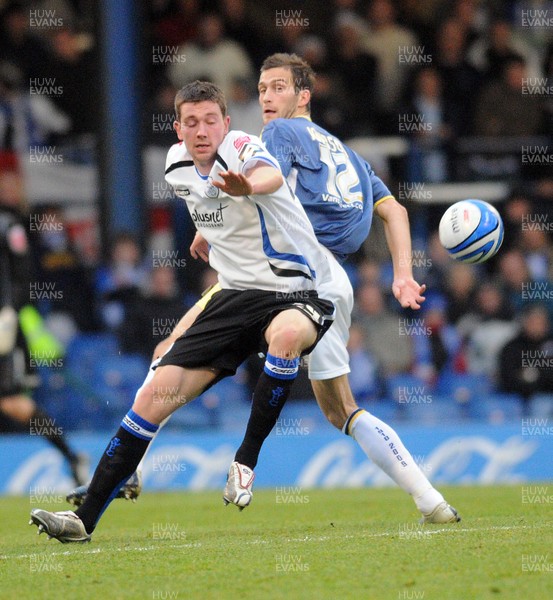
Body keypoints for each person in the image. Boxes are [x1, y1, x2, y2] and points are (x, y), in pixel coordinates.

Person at [73, 54, 459, 525]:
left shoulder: (279, 134)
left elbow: (263, 177)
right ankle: (430, 501)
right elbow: (395, 212)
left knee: (322, 401)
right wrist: (402, 273)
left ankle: (160, 468)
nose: (267, 99)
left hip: (290, 277)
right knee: (336, 408)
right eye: (261, 90)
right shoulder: (348, 154)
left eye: (278, 88)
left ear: (304, 96)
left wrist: (234, 198)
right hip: (321, 277)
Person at [29, 80, 335, 542]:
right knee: (154, 394)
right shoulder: (175, 167)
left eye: (211, 120)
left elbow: (265, 174)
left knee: (287, 336)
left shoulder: (243, 148)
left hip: (295, 290)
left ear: (226, 123)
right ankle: (84, 519)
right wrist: (207, 231)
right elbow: (205, 203)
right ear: (178, 129)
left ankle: (245, 462)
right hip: (234, 295)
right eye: (191, 122)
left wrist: (246, 186)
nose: (202, 130)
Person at [0, 167, 87, 486]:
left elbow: (22, 276)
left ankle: (71, 456)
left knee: (12, 402)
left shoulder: (11, 225)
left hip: (5, 325)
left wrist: (10, 312)